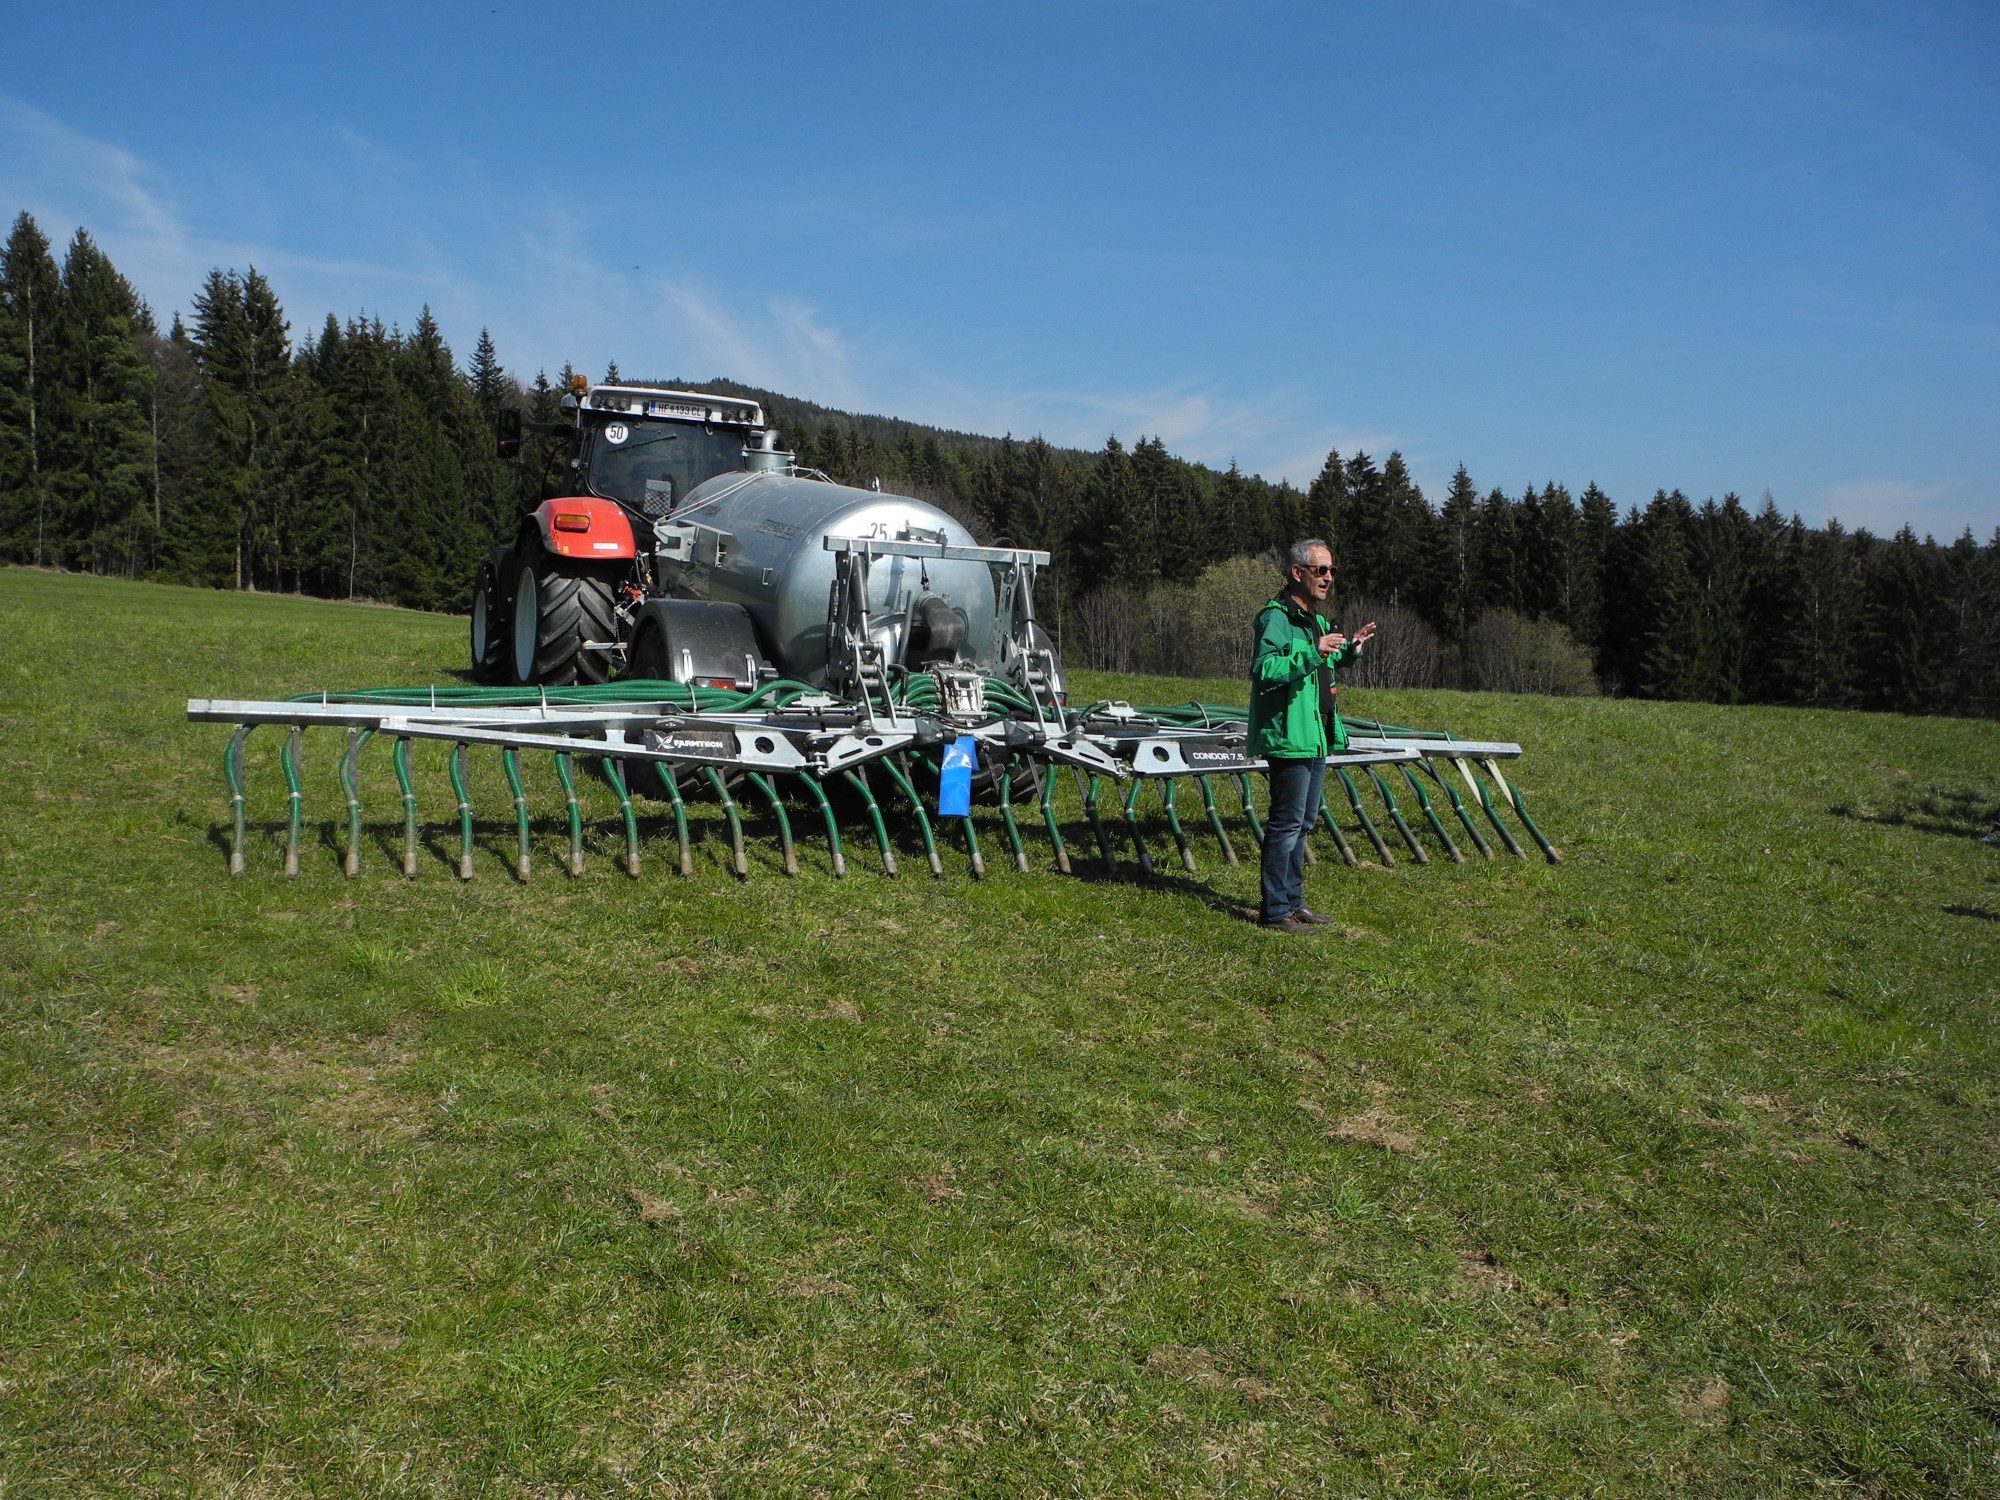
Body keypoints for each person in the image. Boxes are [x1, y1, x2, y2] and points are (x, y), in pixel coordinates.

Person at [1248, 539, 1375, 932]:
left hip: (1316, 733)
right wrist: (1313, 651)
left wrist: (1349, 649)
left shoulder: (1316, 621)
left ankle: (1293, 901)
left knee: (1303, 824)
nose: (1328, 578)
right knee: (1285, 825)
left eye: (1332, 571)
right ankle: (1274, 911)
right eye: (1321, 570)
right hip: (1289, 735)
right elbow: (1264, 669)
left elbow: (1326, 660)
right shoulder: (1276, 618)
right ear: (1297, 572)